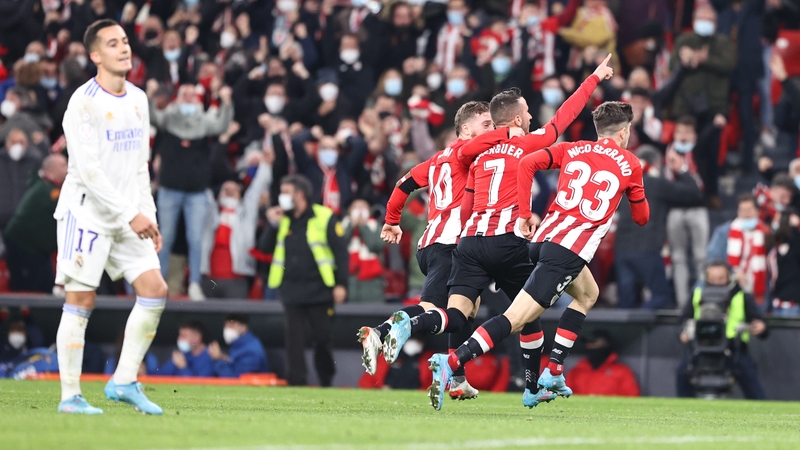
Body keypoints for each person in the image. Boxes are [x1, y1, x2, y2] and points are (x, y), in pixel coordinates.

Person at [394, 56, 616, 410]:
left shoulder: (476, 156)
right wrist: (593, 78)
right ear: (516, 119)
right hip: (509, 242)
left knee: (458, 314)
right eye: (526, 113)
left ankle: (420, 333)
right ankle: (513, 380)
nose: (530, 118)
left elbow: (466, 202)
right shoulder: (528, 143)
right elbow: (565, 116)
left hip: (469, 244)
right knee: (525, 315)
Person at [429, 99, 649, 410]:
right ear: (624, 132)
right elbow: (641, 218)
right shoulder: (630, 163)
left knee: (588, 293)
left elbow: (527, 163)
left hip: (543, 239)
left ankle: (555, 370)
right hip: (568, 250)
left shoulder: (572, 148)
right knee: (514, 320)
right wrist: (636, 193)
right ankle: (451, 361)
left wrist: (525, 214)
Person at [53, 19, 168, 415]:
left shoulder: (138, 99)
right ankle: (70, 396)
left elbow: (140, 166)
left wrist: (148, 217)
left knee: (155, 288)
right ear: (95, 55)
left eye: (125, 41)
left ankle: (122, 381)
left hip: (128, 215)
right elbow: (89, 171)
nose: (124, 48)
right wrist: (130, 214)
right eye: (113, 43)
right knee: (81, 299)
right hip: (86, 213)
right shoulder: (83, 102)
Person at [357, 101, 496, 400]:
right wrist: (515, 131)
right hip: (451, 245)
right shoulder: (464, 152)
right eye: (486, 125)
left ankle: (456, 376)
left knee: (469, 305)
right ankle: (385, 332)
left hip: (432, 243)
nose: (493, 131)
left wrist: (392, 221)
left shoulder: (436, 160)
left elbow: (403, 184)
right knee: (440, 309)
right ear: (466, 129)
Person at [147, 80, 235, 301]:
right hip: (169, 189)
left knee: (195, 239)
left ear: (197, 98)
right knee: (164, 239)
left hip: (196, 192)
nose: (188, 97)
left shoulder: (204, 122)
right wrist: (149, 96)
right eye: (184, 93)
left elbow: (221, 126)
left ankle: (195, 283)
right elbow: (151, 118)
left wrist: (226, 103)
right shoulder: (169, 118)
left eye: (191, 94)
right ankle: (159, 282)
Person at [263, 174, 348, 386]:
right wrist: (271, 224)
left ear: (300, 195)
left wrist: (341, 284)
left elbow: (341, 253)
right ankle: (296, 382)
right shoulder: (282, 219)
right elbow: (264, 248)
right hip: (291, 289)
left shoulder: (324, 216)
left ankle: (326, 380)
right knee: (293, 341)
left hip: (320, 289)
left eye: (286, 192)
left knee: (322, 338)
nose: (281, 197)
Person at [614, 146, 703, 309]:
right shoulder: (656, 184)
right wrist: (680, 169)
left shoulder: (623, 184)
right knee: (661, 297)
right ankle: (641, 325)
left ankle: (628, 332)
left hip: (622, 251)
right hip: (647, 249)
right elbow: (694, 195)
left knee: (625, 303)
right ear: (656, 163)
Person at [676, 261, 767, 399]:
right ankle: (683, 412)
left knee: (750, 378)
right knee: (682, 372)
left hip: (733, 349)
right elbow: (682, 320)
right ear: (706, 278)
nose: (716, 282)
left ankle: (763, 413)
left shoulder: (741, 296)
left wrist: (761, 327)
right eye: (712, 279)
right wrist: (683, 333)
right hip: (701, 347)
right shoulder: (697, 294)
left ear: (729, 278)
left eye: (720, 279)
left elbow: (759, 323)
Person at [200, 158, 272, 299]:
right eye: (226, 190)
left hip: (236, 279)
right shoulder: (210, 215)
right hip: (209, 278)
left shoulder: (245, 217)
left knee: (234, 320)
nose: (230, 192)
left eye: (234, 190)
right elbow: (204, 192)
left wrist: (265, 164)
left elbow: (256, 190)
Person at [3, 154, 67, 293]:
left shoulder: (43, 186)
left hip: (35, 249)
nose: (67, 169)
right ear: (52, 169)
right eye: (63, 165)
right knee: (29, 287)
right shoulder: (46, 190)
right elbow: (67, 210)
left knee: (43, 284)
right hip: (24, 246)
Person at [665, 116, 709, 309]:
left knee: (701, 256)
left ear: (694, 135)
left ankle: (703, 301)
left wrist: (682, 168)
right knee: (678, 258)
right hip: (674, 210)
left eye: (687, 132)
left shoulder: (701, 152)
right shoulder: (666, 153)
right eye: (680, 132)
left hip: (698, 209)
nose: (683, 136)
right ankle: (683, 305)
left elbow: (700, 187)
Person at [566, 329, 640, 397]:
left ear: (606, 343)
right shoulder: (576, 372)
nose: (589, 345)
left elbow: (632, 396)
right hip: (581, 410)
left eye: (593, 341)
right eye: (586, 342)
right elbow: (565, 396)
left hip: (612, 410)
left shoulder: (622, 371)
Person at [727, 194, 769, 306]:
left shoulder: (766, 231)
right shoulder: (727, 231)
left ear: (757, 211)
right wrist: (735, 271)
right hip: (736, 283)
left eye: (749, 210)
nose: (746, 214)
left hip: (761, 282)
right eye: (742, 210)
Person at [0, 128, 43, 230]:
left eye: (21, 142)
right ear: (7, 143)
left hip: (24, 219)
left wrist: (42, 145)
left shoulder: (34, 161)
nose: (17, 146)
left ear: (26, 144)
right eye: (14, 142)